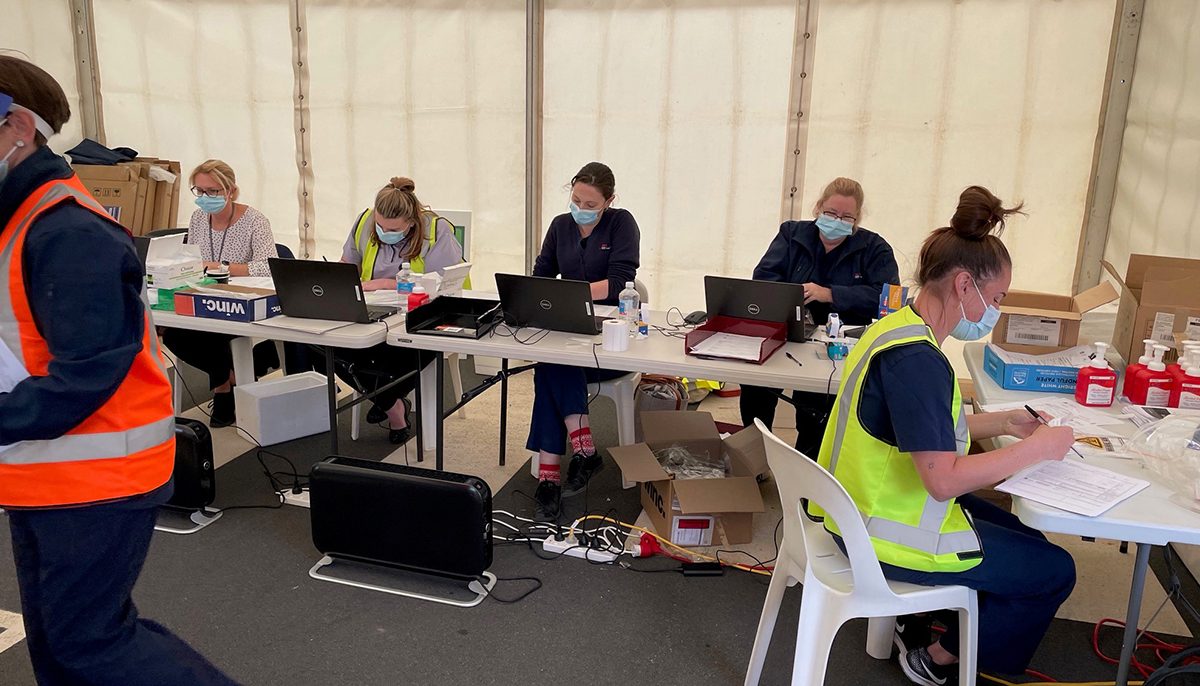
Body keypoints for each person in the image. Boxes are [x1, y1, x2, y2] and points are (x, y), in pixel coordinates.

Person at [0, 55, 238, 685]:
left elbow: (85, 374)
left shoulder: (66, 231)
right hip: (43, 470)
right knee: (58, 641)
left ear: (16, 127)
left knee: (90, 642)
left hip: (94, 475)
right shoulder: (20, 221)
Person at [808, 186, 1076, 684]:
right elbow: (943, 481)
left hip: (862, 510)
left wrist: (1004, 422)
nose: (996, 309)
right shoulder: (919, 361)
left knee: (1026, 537)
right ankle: (938, 657)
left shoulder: (896, 328)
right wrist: (1035, 449)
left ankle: (935, 626)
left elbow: (916, 433)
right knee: (1055, 570)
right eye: (996, 298)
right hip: (888, 534)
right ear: (963, 285)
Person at [740, 177, 898, 458]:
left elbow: (887, 300)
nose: (837, 221)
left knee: (816, 407)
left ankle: (806, 471)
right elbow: (763, 279)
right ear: (818, 208)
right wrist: (789, 295)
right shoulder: (791, 234)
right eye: (831, 213)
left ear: (857, 219)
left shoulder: (875, 248)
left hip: (836, 349)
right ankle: (755, 457)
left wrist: (830, 294)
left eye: (846, 217)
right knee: (755, 385)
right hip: (785, 334)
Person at [527, 162, 640, 521]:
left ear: (609, 201)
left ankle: (549, 474)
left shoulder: (622, 224)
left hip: (611, 341)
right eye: (575, 199)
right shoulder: (561, 226)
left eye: (590, 203)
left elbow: (620, 280)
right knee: (553, 362)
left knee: (551, 367)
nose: (580, 208)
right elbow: (541, 274)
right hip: (570, 333)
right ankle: (584, 451)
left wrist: (571, 294)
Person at [335, 176, 465, 443]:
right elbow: (347, 264)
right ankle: (394, 405)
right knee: (331, 347)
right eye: (380, 226)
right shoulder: (364, 222)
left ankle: (390, 408)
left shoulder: (437, 231)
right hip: (374, 313)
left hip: (425, 317)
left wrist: (384, 283)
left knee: (395, 354)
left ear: (412, 222)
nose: (384, 232)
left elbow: (445, 284)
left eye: (393, 229)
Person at [161, 159, 280, 427]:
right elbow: (191, 258)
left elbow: (268, 267)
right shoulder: (197, 218)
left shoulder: (254, 221)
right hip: (204, 295)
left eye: (212, 191)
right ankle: (229, 378)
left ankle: (222, 389)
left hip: (242, 301)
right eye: (199, 191)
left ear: (231, 191)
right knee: (171, 331)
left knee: (211, 333)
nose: (205, 198)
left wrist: (222, 267)